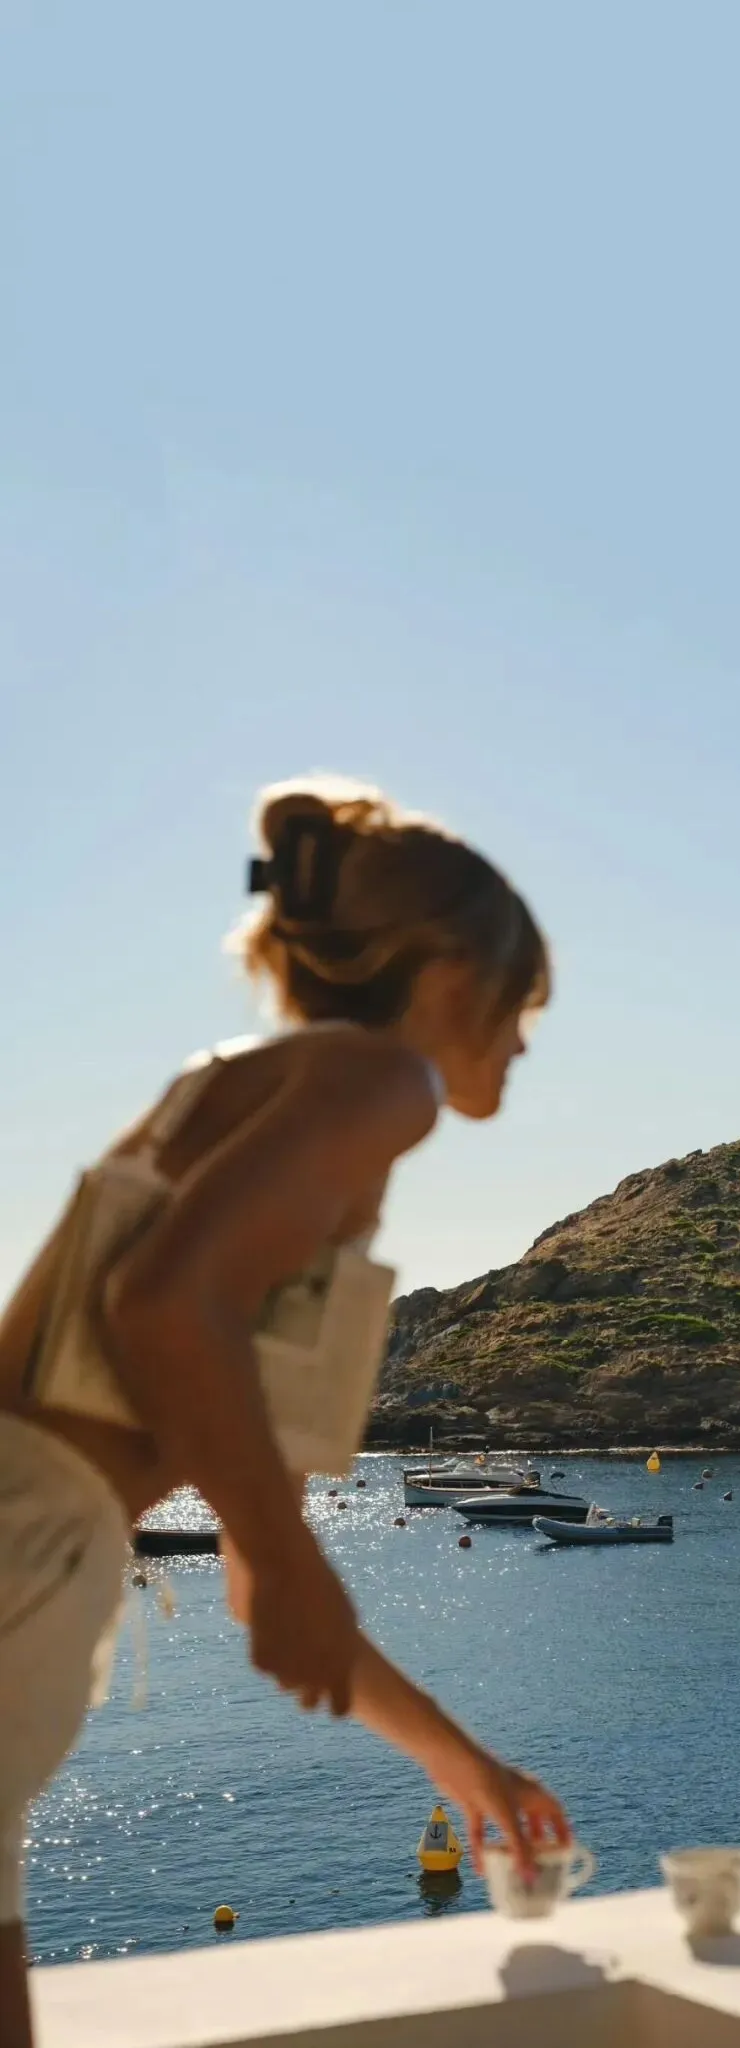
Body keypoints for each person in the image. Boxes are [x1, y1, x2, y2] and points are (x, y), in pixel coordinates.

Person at [0, 777, 571, 2045]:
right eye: (521, 1002)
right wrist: (281, 1548)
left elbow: (270, 1602)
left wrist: (462, 1767)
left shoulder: (236, 1093)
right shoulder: (382, 1081)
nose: (527, 1043)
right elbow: (165, 1303)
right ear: (448, 977)